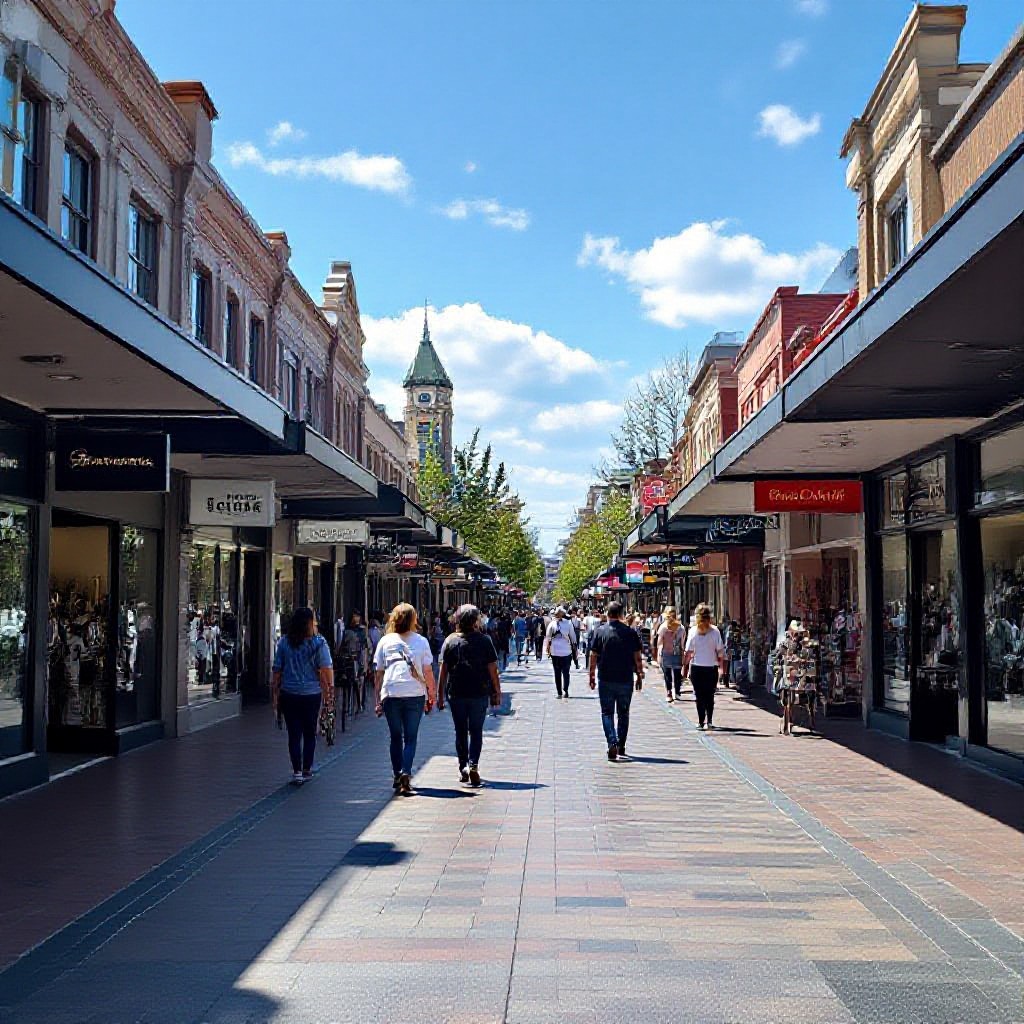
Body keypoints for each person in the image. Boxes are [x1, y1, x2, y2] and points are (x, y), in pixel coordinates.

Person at [373, 603, 437, 795]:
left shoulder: (385, 641)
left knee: (395, 737)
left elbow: (378, 672)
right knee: (410, 737)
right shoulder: (421, 641)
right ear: (414, 619)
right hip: (414, 693)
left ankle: (396, 774)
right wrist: (431, 694)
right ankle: (406, 773)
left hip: (391, 692)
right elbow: (427, 671)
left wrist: (377, 699)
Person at [437, 604, 501, 786]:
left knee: (460, 730)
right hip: (479, 691)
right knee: (476, 730)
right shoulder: (485, 640)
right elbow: (493, 669)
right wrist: (497, 691)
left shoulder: (450, 641)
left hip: (456, 692)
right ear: (475, 621)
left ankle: (463, 766)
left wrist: (439, 695)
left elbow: (443, 671)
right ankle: (473, 764)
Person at [271, 607, 334, 784]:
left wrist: (274, 694)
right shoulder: (318, 643)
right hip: (311, 694)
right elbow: (327, 668)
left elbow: (276, 671)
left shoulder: (284, 643)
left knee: (294, 734)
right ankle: (307, 768)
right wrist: (330, 691)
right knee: (309, 732)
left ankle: (297, 771)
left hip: (289, 693)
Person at [588, 601, 643, 761]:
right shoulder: (630, 632)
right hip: (625, 678)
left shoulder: (600, 632)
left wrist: (591, 675)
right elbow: (637, 656)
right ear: (620, 614)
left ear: (607, 613)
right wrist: (639, 674)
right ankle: (621, 745)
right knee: (623, 713)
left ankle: (612, 742)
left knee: (607, 712)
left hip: (605, 678)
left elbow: (593, 655)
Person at [684, 603, 726, 730]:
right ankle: (709, 721)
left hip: (697, 667)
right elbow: (720, 652)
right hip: (711, 667)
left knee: (699, 695)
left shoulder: (692, 631)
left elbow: (688, 652)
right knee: (709, 695)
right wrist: (722, 667)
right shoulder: (715, 631)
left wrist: (684, 666)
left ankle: (701, 721)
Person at [545, 607, 577, 699]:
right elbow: (573, 638)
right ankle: (564, 690)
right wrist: (575, 648)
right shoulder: (568, 623)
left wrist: (548, 649)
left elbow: (548, 637)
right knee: (565, 673)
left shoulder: (552, 624)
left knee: (558, 673)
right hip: (564, 651)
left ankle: (560, 692)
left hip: (557, 652)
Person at [656, 606, 686, 702]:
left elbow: (659, 643)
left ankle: (669, 692)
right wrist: (683, 653)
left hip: (666, 652)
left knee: (667, 674)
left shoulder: (663, 627)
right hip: (677, 653)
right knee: (677, 674)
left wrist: (659, 654)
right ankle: (677, 692)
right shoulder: (681, 628)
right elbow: (682, 643)